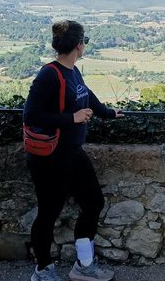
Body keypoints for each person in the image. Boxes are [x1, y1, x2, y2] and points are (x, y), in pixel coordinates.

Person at [24, 20, 124, 281]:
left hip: (71, 153)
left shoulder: (73, 72)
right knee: (48, 213)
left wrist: (110, 114)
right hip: (49, 157)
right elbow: (30, 116)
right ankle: (42, 270)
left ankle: (84, 265)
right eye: (85, 42)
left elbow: (86, 96)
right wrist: (72, 118)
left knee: (93, 203)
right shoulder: (49, 74)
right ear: (80, 45)